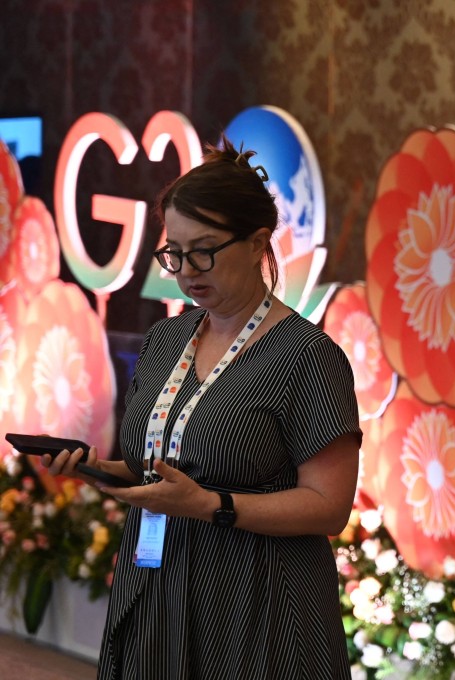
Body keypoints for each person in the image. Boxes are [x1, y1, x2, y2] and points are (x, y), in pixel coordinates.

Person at [44, 137, 361, 679]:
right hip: (156, 585)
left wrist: (213, 505)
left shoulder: (308, 356)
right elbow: (166, 468)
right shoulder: (166, 339)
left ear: (260, 242)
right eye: (175, 253)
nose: (188, 270)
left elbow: (329, 507)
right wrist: (104, 472)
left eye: (205, 250)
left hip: (258, 603)